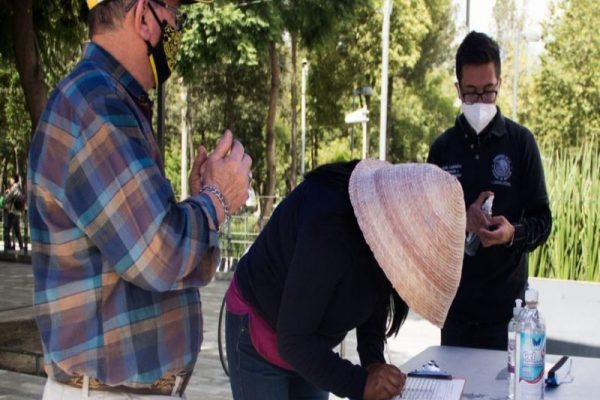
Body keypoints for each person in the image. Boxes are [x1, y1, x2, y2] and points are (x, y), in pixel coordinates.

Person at [28, 0, 252, 398]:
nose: (177, 30)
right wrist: (217, 199)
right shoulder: (96, 105)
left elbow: (158, 252)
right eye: (174, 15)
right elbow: (160, 254)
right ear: (144, 17)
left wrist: (200, 201)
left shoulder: (108, 100)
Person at [225, 160, 467, 400]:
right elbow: (293, 340)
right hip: (262, 331)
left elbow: (375, 293)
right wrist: (361, 384)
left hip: (310, 346)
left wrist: (373, 362)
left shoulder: (379, 231)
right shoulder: (328, 224)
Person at [427, 31, 552, 351]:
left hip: (510, 317)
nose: (479, 102)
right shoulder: (442, 149)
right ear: (458, 89)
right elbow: (428, 230)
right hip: (456, 316)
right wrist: (460, 221)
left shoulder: (521, 143)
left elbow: (543, 221)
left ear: (499, 84)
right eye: (470, 93)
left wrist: (513, 234)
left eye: (488, 93)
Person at [3, 175, 24, 252]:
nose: (10, 180)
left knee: (7, 229)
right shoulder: (19, 189)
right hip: (18, 213)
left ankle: (8, 247)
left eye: (12, 179)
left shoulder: (14, 189)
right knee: (18, 231)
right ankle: (22, 247)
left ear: (14, 181)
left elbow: (6, 199)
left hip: (13, 213)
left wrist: (6, 194)